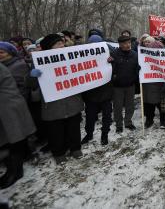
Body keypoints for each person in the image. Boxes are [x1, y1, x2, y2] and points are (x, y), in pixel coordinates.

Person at [30, 34, 85, 164]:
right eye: (58, 44)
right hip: (53, 105)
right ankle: (59, 152)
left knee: (73, 127)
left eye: (62, 43)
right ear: (49, 47)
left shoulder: (70, 57)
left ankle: (75, 148)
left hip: (72, 101)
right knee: (56, 131)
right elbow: (32, 87)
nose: (62, 46)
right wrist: (32, 77)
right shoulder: (38, 62)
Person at [0, 63, 36, 189]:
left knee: (14, 138)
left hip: (8, 107)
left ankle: (15, 171)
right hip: (6, 107)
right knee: (10, 138)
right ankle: (13, 168)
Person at [81, 35, 113, 145]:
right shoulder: (82, 58)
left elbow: (116, 69)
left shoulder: (109, 54)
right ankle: (89, 134)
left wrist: (112, 61)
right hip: (90, 94)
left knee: (107, 116)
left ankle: (105, 134)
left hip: (106, 93)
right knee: (90, 117)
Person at [110, 35, 139, 132]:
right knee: (117, 107)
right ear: (120, 44)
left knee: (130, 105)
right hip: (117, 86)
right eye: (125, 43)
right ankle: (119, 124)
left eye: (129, 43)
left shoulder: (135, 54)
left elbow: (137, 67)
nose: (128, 45)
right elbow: (109, 69)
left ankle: (128, 122)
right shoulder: (114, 54)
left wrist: (137, 72)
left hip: (130, 85)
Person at [143, 41, 165, 129]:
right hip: (150, 85)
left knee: (163, 105)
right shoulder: (145, 60)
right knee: (149, 104)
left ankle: (163, 121)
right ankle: (149, 119)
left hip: (163, 84)